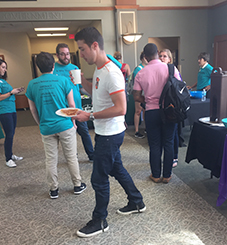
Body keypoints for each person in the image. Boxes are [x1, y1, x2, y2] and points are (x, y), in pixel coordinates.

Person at [73, 27, 145, 238]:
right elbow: (96, 94)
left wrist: (90, 116)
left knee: (98, 178)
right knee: (117, 168)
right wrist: (80, 83)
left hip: (110, 133)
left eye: (83, 49)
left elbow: (121, 108)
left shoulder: (111, 72)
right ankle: (136, 200)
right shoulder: (99, 68)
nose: (81, 54)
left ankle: (100, 220)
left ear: (95, 45)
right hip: (108, 131)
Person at [26, 52, 86, 199]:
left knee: (51, 159)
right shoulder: (64, 81)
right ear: (53, 65)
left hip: (46, 127)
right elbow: (72, 105)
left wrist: (41, 124)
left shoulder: (32, 84)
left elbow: (33, 110)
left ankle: (54, 190)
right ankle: (77, 185)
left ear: (38, 67)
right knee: (71, 157)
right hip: (65, 125)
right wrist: (73, 122)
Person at [133, 43, 176, 184]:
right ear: (157, 53)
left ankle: (156, 175)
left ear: (145, 57)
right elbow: (179, 89)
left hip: (151, 112)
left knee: (155, 144)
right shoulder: (170, 68)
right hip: (169, 110)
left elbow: (136, 96)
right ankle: (167, 175)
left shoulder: (141, 73)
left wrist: (149, 98)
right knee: (168, 143)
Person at [53, 43, 94, 162]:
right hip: (63, 109)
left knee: (85, 133)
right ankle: (72, 158)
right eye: (62, 54)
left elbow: (81, 87)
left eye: (67, 54)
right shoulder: (53, 69)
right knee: (68, 136)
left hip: (77, 107)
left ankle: (92, 155)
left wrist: (92, 95)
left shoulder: (74, 68)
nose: (66, 57)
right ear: (57, 55)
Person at [159, 49, 182, 168]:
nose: (162, 58)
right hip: (162, 106)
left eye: (165, 56)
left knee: (173, 134)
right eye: (160, 56)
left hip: (172, 106)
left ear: (169, 59)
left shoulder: (173, 70)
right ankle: (168, 156)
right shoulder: (158, 70)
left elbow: (179, 86)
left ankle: (175, 156)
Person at [0, 59, 25, 168]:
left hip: (11, 109)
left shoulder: (3, 81)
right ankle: (8, 159)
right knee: (9, 134)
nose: (5, 70)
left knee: (12, 133)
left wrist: (16, 91)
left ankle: (10, 154)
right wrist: (11, 92)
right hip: (4, 111)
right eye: (3, 67)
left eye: (5, 68)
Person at [132, 52, 148, 139]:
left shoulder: (148, 68)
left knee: (145, 111)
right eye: (145, 58)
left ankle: (146, 127)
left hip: (146, 93)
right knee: (138, 111)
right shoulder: (138, 69)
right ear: (142, 58)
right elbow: (136, 82)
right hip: (139, 93)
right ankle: (136, 131)